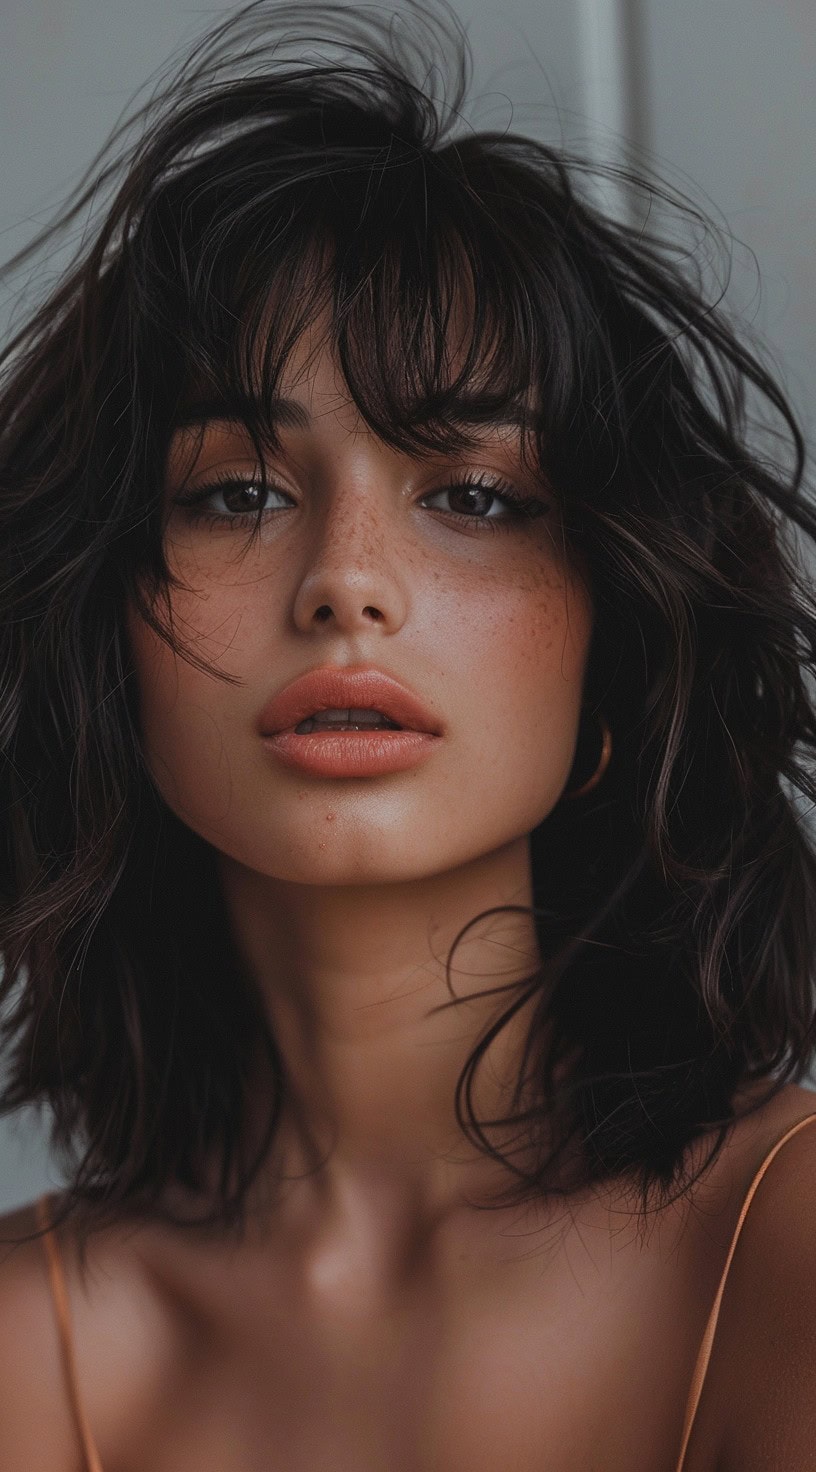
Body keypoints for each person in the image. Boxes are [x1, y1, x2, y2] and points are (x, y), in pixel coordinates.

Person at [1, 1, 815, 1466]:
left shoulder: (786, 1253)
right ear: (100, 640)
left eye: (476, 496)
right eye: (236, 492)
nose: (346, 583)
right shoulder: (29, 1349)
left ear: (621, 650)